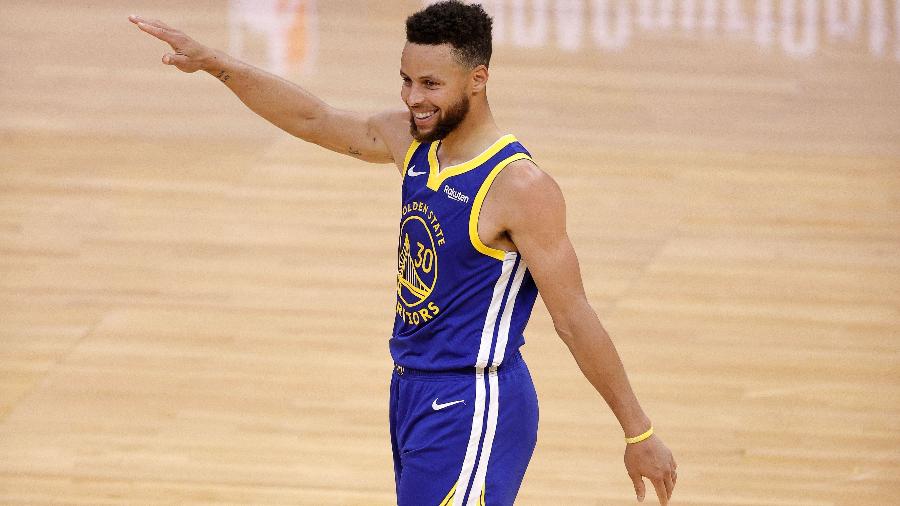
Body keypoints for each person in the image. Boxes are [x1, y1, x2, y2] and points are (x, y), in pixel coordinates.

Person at [129, 1, 677, 504]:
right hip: (411, 391)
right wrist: (215, 63)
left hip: (472, 400)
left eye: (432, 84)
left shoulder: (519, 187)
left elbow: (575, 318)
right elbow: (313, 119)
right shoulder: (414, 142)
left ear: (478, 79)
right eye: (407, 81)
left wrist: (639, 432)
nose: (414, 98)